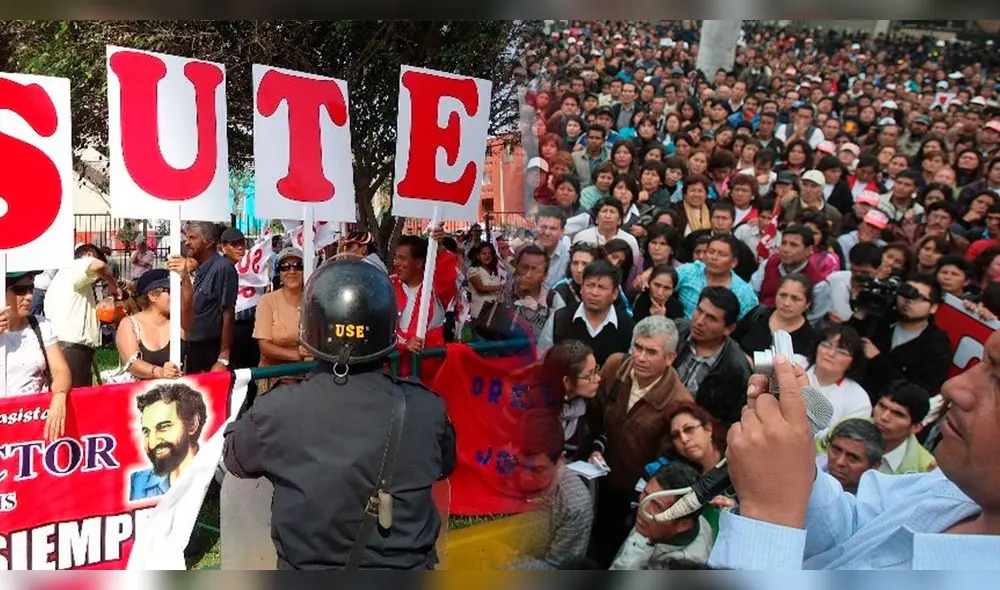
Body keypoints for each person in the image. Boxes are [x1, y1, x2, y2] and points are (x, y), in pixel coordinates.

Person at [223, 256, 456, 569]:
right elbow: (444, 465)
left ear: (310, 328)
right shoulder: (426, 407)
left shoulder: (277, 410)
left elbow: (235, 458)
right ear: (388, 328)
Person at [708, 331, 1000, 569]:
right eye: (985, 363)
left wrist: (767, 519)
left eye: (998, 382)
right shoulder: (951, 487)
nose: (953, 387)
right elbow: (854, 529)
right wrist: (793, 470)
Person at [586, 315, 693, 567]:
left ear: (670, 358)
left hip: (633, 501)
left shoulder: (679, 402)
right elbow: (593, 416)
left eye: (651, 352)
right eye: (638, 347)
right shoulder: (614, 366)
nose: (641, 357)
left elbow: (666, 462)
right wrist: (593, 448)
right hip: (596, 480)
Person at [1, 271, 70, 441]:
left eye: (31, 289)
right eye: (20, 290)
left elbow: (60, 370)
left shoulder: (41, 325)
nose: (29, 297)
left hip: (33, 423)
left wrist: (60, 395)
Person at [609, 462, 715, 570]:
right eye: (646, 494)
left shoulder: (682, 569)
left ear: (683, 525)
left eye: (657, 507)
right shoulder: (689, 514)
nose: (643, 509)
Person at [44, 244, 122, 387]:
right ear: (88, 255)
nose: (98, 278)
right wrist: (112, 283)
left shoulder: (72, 280)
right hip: (71, 348)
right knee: (76, 401)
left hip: (71, 347)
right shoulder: (75, 265)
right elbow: (98, 265)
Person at [129, 382, 208, 501]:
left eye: (163, 427)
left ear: (192, 424)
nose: (152, 442)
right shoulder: (139, 482)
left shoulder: (214, 474)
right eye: (146, 432)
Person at [115, 261, 192, 381]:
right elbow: (132, 363)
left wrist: (185, 278)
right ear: (152, 296)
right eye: (170, 291)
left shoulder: (179, 323)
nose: (177, 295)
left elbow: (187, 306)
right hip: (142, 395)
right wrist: (159, 372)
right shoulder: (130, 324)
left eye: (178, 290)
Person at [183, 222, 238, 374]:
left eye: (192, 237)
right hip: (192, 349)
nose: (187, 242)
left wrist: (223, 357)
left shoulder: (223, 268)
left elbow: (228, 313)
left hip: (210, 351)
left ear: (209, 242)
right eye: (186, 237)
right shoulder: (200, 268)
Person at [872, 381, 937, 475]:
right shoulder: (849, 425)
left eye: (897, 414)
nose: (884, 417)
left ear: (916, 427)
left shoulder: (924, 470)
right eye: (882, 406)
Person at [816, 418, 885, 495]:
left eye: (852, 458)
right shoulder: (809, 467)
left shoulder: (876, 503)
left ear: (875, 466)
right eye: (836, 450)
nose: (840, 462)